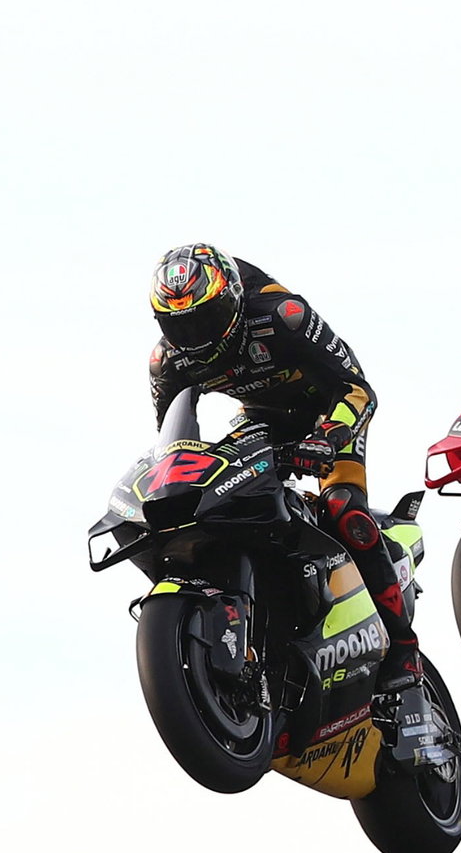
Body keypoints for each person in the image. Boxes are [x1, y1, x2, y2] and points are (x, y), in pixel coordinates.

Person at [147, 243, 431, 699]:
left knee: (343, 508)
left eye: (206, 317)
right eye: (181, 325)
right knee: (219, 500)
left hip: (326, 414)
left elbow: (359, 390)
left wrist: (329, 437)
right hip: (259, 418)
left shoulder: (283, 316)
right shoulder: (168, 362)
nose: (196, 335)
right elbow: (171, 443)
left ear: (233, 300)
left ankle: (403, 647)